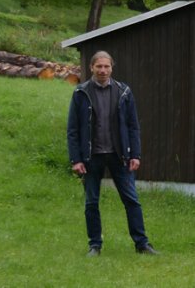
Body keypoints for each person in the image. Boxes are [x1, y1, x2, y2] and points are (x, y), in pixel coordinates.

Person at [67, 51, 158, 256]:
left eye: (106, 66)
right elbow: (73, 129)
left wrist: (135, 154)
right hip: (92, 157)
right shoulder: (80, 93)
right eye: (98, 66)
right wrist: (76, 159)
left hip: (120, 156)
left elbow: (133, 126)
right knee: (91, 202)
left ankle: (142, 244)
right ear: (91, 68)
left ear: (111, 68)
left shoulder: (123, 91)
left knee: (132, 200)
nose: (102, 70)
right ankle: (94, 246)